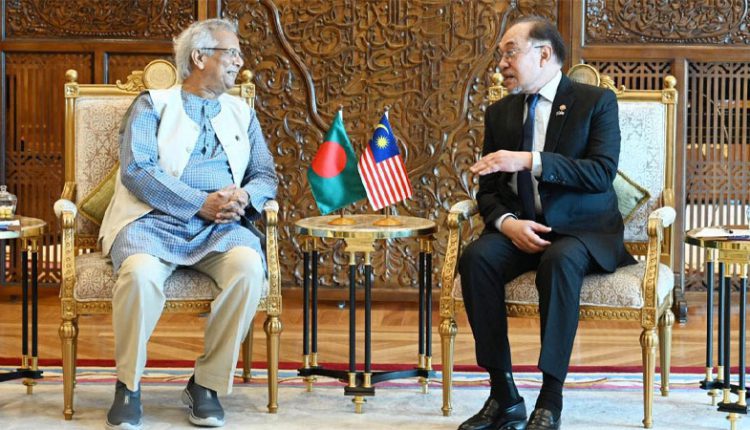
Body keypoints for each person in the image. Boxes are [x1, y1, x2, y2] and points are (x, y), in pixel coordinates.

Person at [98, 18, 278, 429]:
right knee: (139, 275)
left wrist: (244, 198)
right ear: (199, 57)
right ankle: (128, 386)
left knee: (249, 269)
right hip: (152, 221)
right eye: (231, 53)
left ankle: (206, 384)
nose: (240, 61)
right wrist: (200, 203)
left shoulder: (241, 111)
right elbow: (138, 170)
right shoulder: (152, 104)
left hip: (221, 227)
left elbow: (265, 174)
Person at [457, 16, 633, 430]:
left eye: (510, 52)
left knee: (560, 261)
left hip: (581, 230)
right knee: (476, 259)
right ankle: (503, 396)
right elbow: (488, 190)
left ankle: (550, 398)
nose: (501, 63)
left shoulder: (595, 102)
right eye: (500, 54)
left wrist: (528, 161)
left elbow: (600, 173)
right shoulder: (500, 113)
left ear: (544, 54)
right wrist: (507, 224)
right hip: (521, 227)